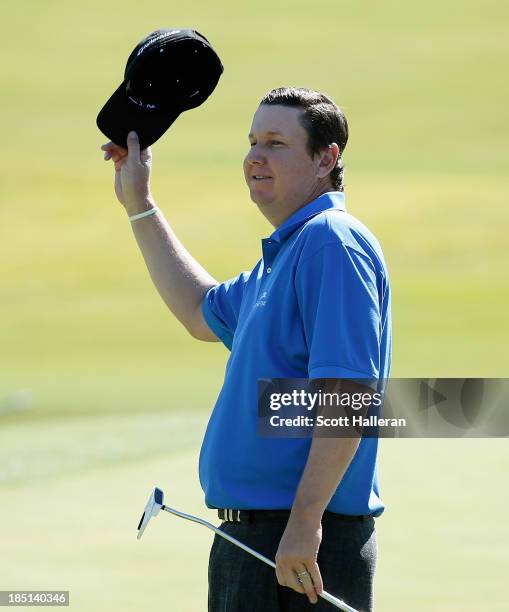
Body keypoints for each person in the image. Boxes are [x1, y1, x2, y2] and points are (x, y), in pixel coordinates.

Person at [101, 87, 391, 612]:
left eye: (277, 143)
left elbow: (349, 397)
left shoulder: (331, 241)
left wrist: (304, 524)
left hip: (301, 542)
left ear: (326, 159)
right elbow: (198, 311)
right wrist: (139, 203)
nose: (256, 155)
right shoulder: (285, 254)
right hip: (257, 540)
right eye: (253, 140)